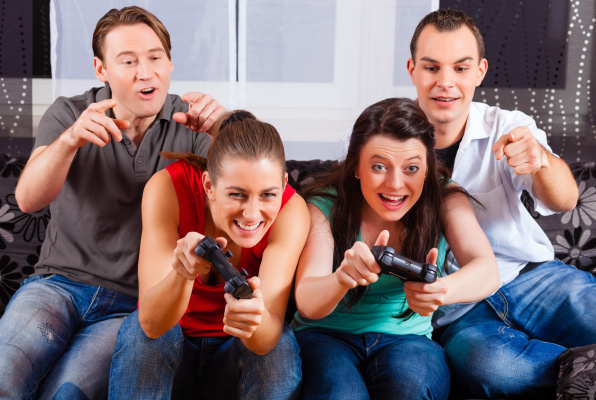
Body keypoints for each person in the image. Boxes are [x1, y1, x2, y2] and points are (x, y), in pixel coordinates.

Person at [2, 6, 225, 399]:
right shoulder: (70, 112)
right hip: (57, 286)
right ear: (101, 69)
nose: (145, 72)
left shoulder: (189, 124)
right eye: (128, 61)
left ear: (170, 62)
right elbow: (27, 199)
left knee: (65, 394)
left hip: (131, 304)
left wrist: (225, 129)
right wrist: (70, 140)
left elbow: (257, 197)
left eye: (155, 57)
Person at [406, 9, 596, 398]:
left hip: (533, 278)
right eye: (432, 68)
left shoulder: (508, 125)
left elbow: (565, 199)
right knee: (494, 369)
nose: (446, 83)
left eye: (460, 68)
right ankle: (582, 369)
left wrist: (542, 162)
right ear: (412, 69)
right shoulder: (382, 134)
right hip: (459, 309)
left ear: (480, 71)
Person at [293, 97, 500, 400]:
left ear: (428, 168)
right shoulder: (324, 204)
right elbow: (307, 302)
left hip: (409, 340)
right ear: (356, 167)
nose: (395, 184)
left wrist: (441, 291)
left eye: (412, 168)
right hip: (325, 336)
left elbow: (487, 271)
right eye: (379, 166)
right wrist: (342, 278)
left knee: (409, 389)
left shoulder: (445, 197)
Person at [108, 110, 310, 399]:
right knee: (141, 337)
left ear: (283, 183)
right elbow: (151, 324)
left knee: (279, 348)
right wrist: (182, 273)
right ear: (208, 186)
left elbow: (265, 341)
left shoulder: (291, 211)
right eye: (237, 194)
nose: (252, 213)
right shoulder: (167, 188)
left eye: (268, 194)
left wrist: (254, 320)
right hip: (171, 343)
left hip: (236, 353)